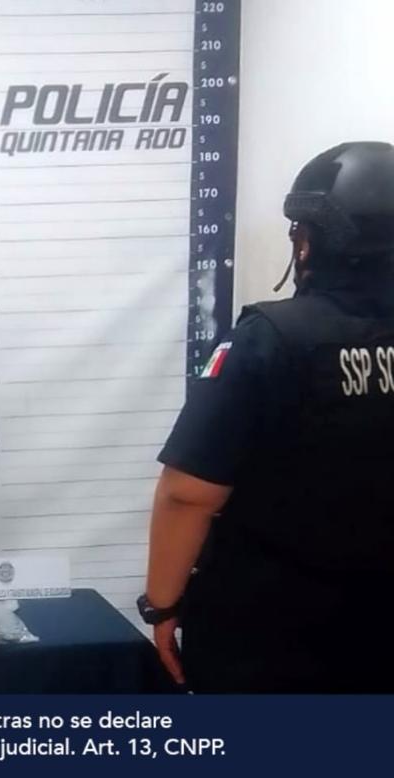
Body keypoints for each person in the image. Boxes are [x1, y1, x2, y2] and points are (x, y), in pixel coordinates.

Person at [140, 141, 394, 692]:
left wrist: (161, 606)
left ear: (311, 241)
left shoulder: (270, 339)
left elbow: (187, 493)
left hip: (269, 638)